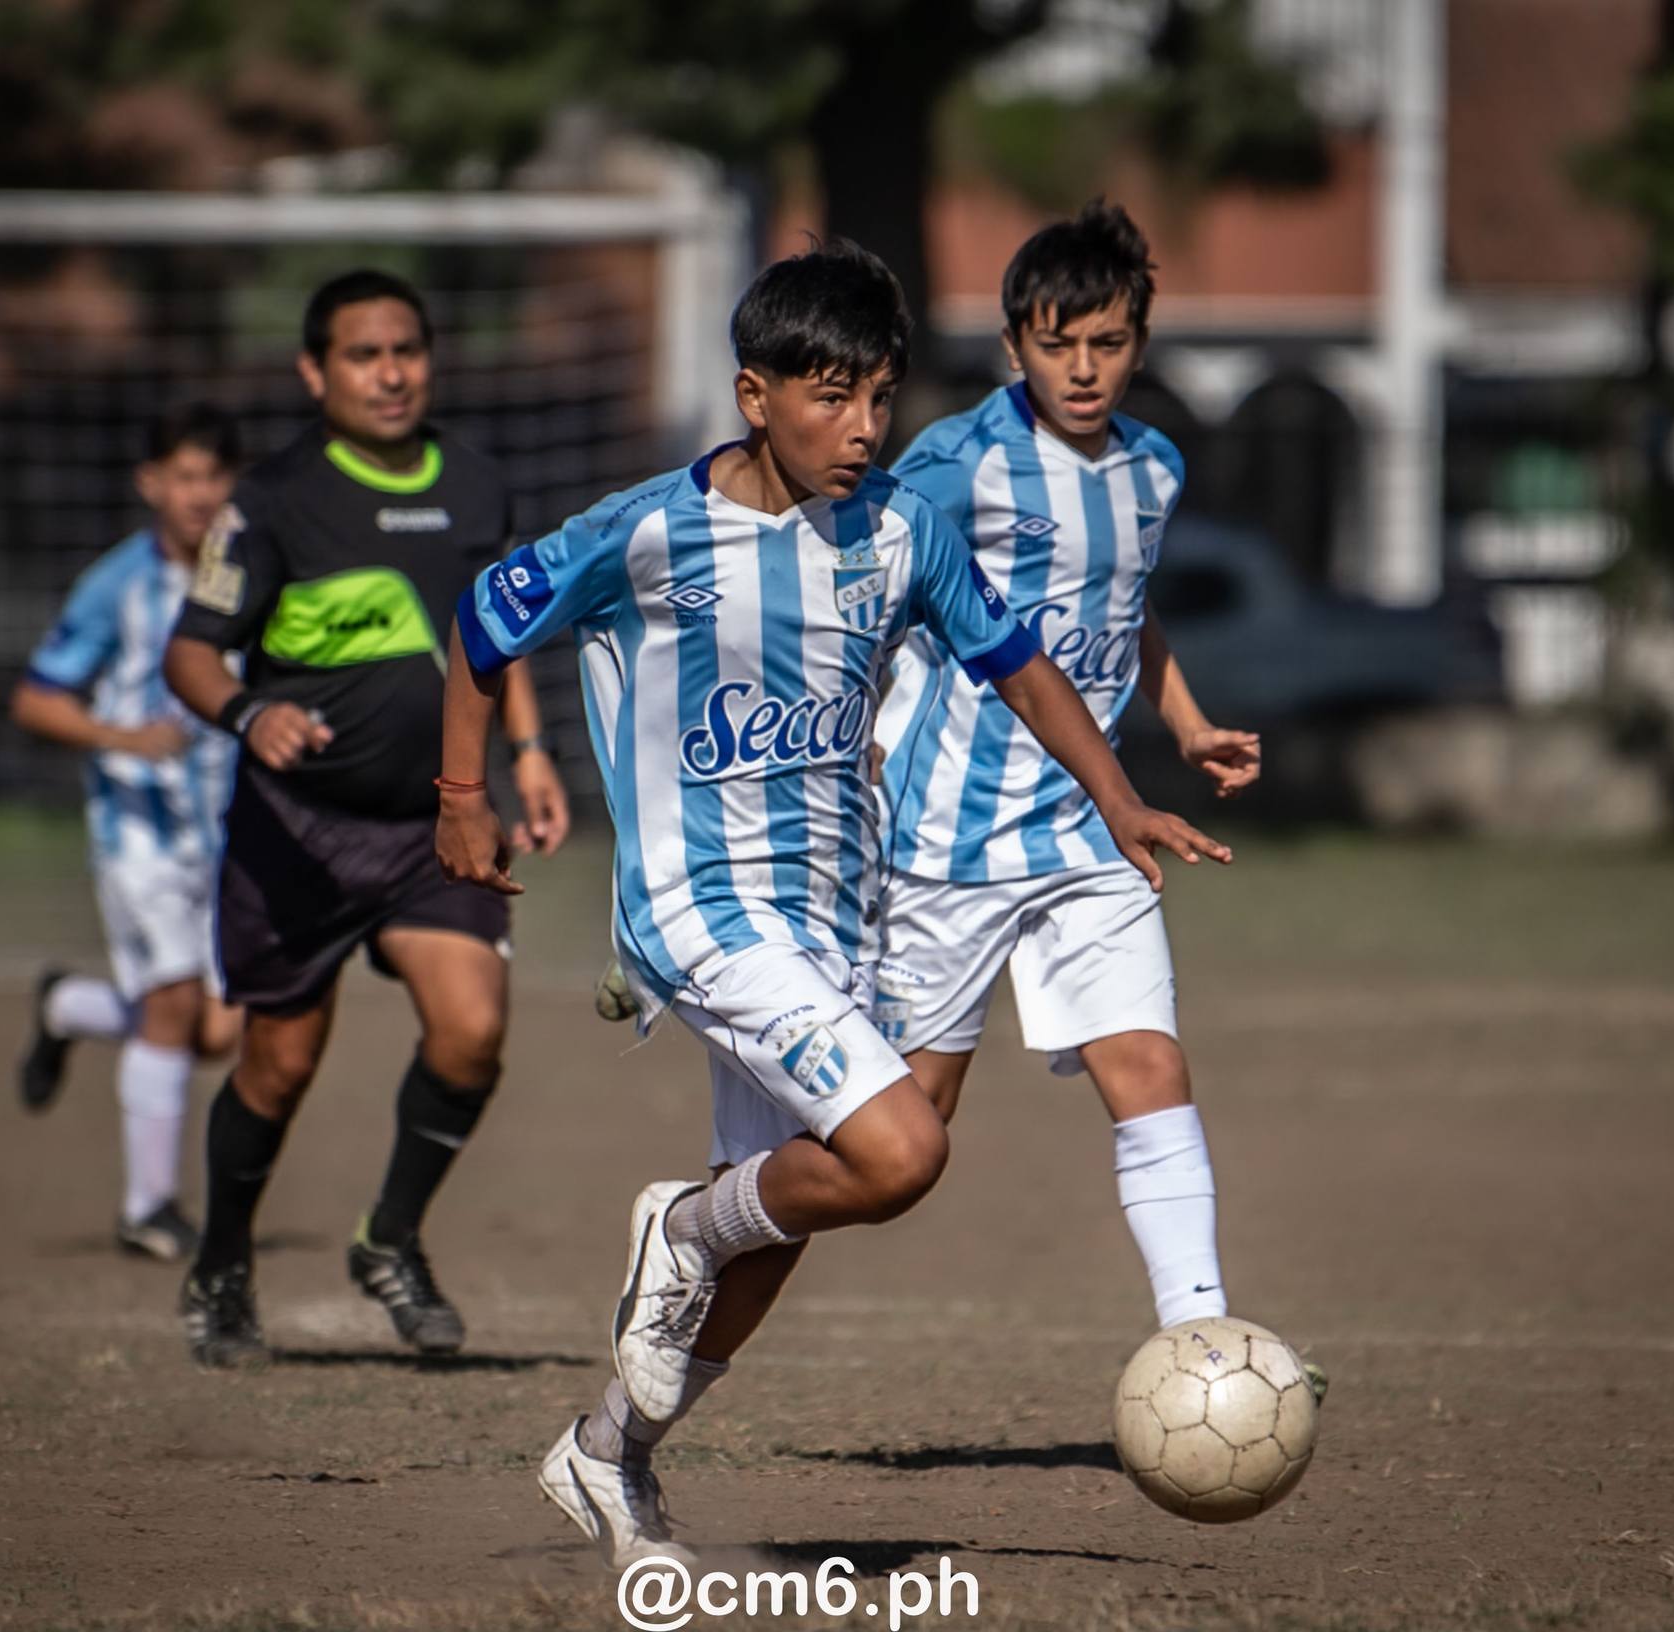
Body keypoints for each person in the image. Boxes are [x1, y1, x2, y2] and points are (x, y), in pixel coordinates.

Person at [436, 240, 1230, 1568]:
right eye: (829, 398)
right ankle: (675, 1225)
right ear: (755, 395)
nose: (862, 431)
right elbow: (479, 621)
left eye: (878, 398)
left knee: (787, 1227)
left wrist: (1119, 796)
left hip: (836, 920)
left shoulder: (899, 533)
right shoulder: (648, 530)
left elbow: (1020, 662)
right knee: (902, 1151)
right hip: (700, 910)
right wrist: (463, 791)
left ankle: (606, 1453)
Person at [164, 268, 569, 1368]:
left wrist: (525, 752)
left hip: (433, 823)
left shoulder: (478, 483)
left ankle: (389, 1236)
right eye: (361, 354)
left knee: (472, 1032)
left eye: (405, 350)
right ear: (314, 372)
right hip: (296, 827)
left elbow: (499, 635)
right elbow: (190, 653)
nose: (389, 373)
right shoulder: (273, 499)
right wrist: (250, 715)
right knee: (279, 1068)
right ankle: (223, 1260)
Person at [873, 199, 1260, 1335]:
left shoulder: (1153, 468)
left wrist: (1182, 724)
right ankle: (716, 1221)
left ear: (1139, 343)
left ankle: (1203, 1341)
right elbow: (861, 589)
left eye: (1104, 344)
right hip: (946, 836)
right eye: (1056, 345)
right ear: (1012, 348)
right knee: (903, 1138)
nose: (1081, 370)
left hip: (1095, 830)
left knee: (1145, 1066)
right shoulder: (953, 464)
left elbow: (1123, 614)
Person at [10, 402, 246, 1263]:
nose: (199, 493)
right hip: (137, 827)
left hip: (223, 835)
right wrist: (124, 739)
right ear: (151, 484)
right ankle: (148, 1208)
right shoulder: (118, 584)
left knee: (217, 1035)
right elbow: (36, 697)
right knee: (176, 1006)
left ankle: (65, 1006)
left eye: (214, 476)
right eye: (183, 476)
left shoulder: (248, 573)